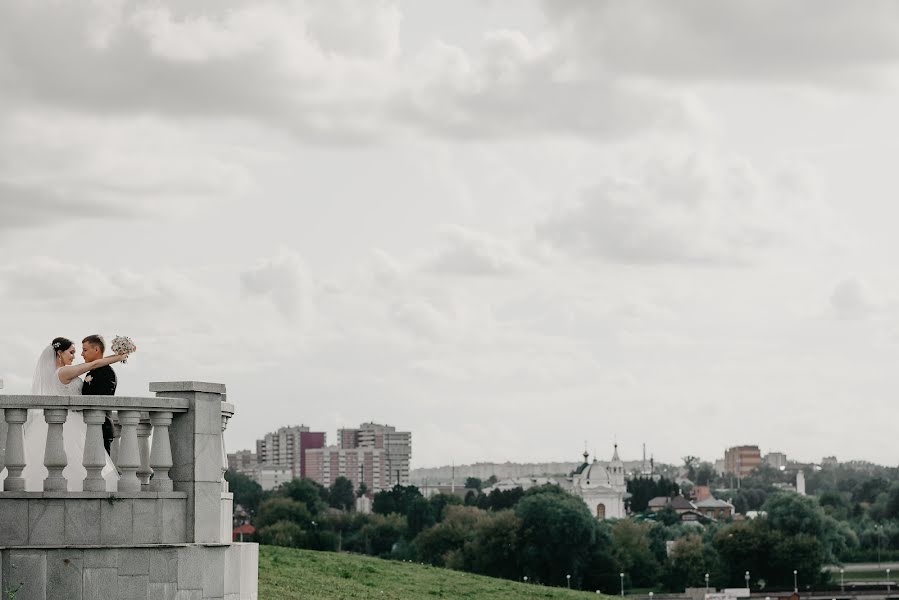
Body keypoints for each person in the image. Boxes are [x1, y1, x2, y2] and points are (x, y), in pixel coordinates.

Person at [22, 337, 129, 492]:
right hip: (71, 420)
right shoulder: (64, 371)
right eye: (71, 352)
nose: (74, 356)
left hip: (71, 420)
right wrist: (118, 357)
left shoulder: (58, 372)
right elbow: (93, 364)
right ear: (59, 353)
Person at [80, 335, 118, 454]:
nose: (82, 354)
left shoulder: (107, 373)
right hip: (89, 426)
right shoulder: (92, 371)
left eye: (85, 350)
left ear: (96, 350)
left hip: (101, 427)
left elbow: (102, 400)